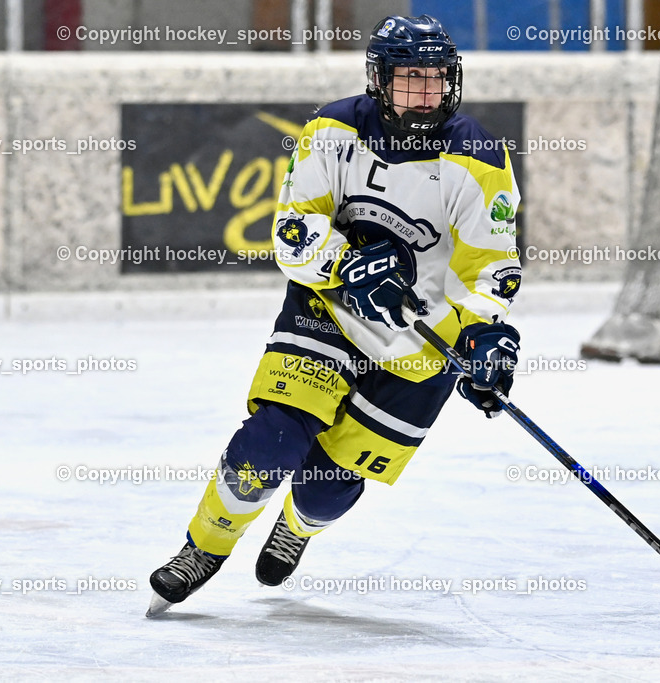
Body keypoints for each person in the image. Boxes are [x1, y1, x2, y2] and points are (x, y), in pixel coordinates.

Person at [147, 14, 522, 616]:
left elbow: (493, 268)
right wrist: (347, 264)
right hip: (329, 311)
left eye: (436, 79)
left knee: (329, 487)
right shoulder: (332, 128)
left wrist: (483, 335)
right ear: (379, 80)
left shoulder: (476, 154)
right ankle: (203, 549)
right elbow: (293, 233)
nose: (426, 93)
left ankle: (298, 527)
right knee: (265, 446)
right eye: (410, 79)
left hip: (421, 348)